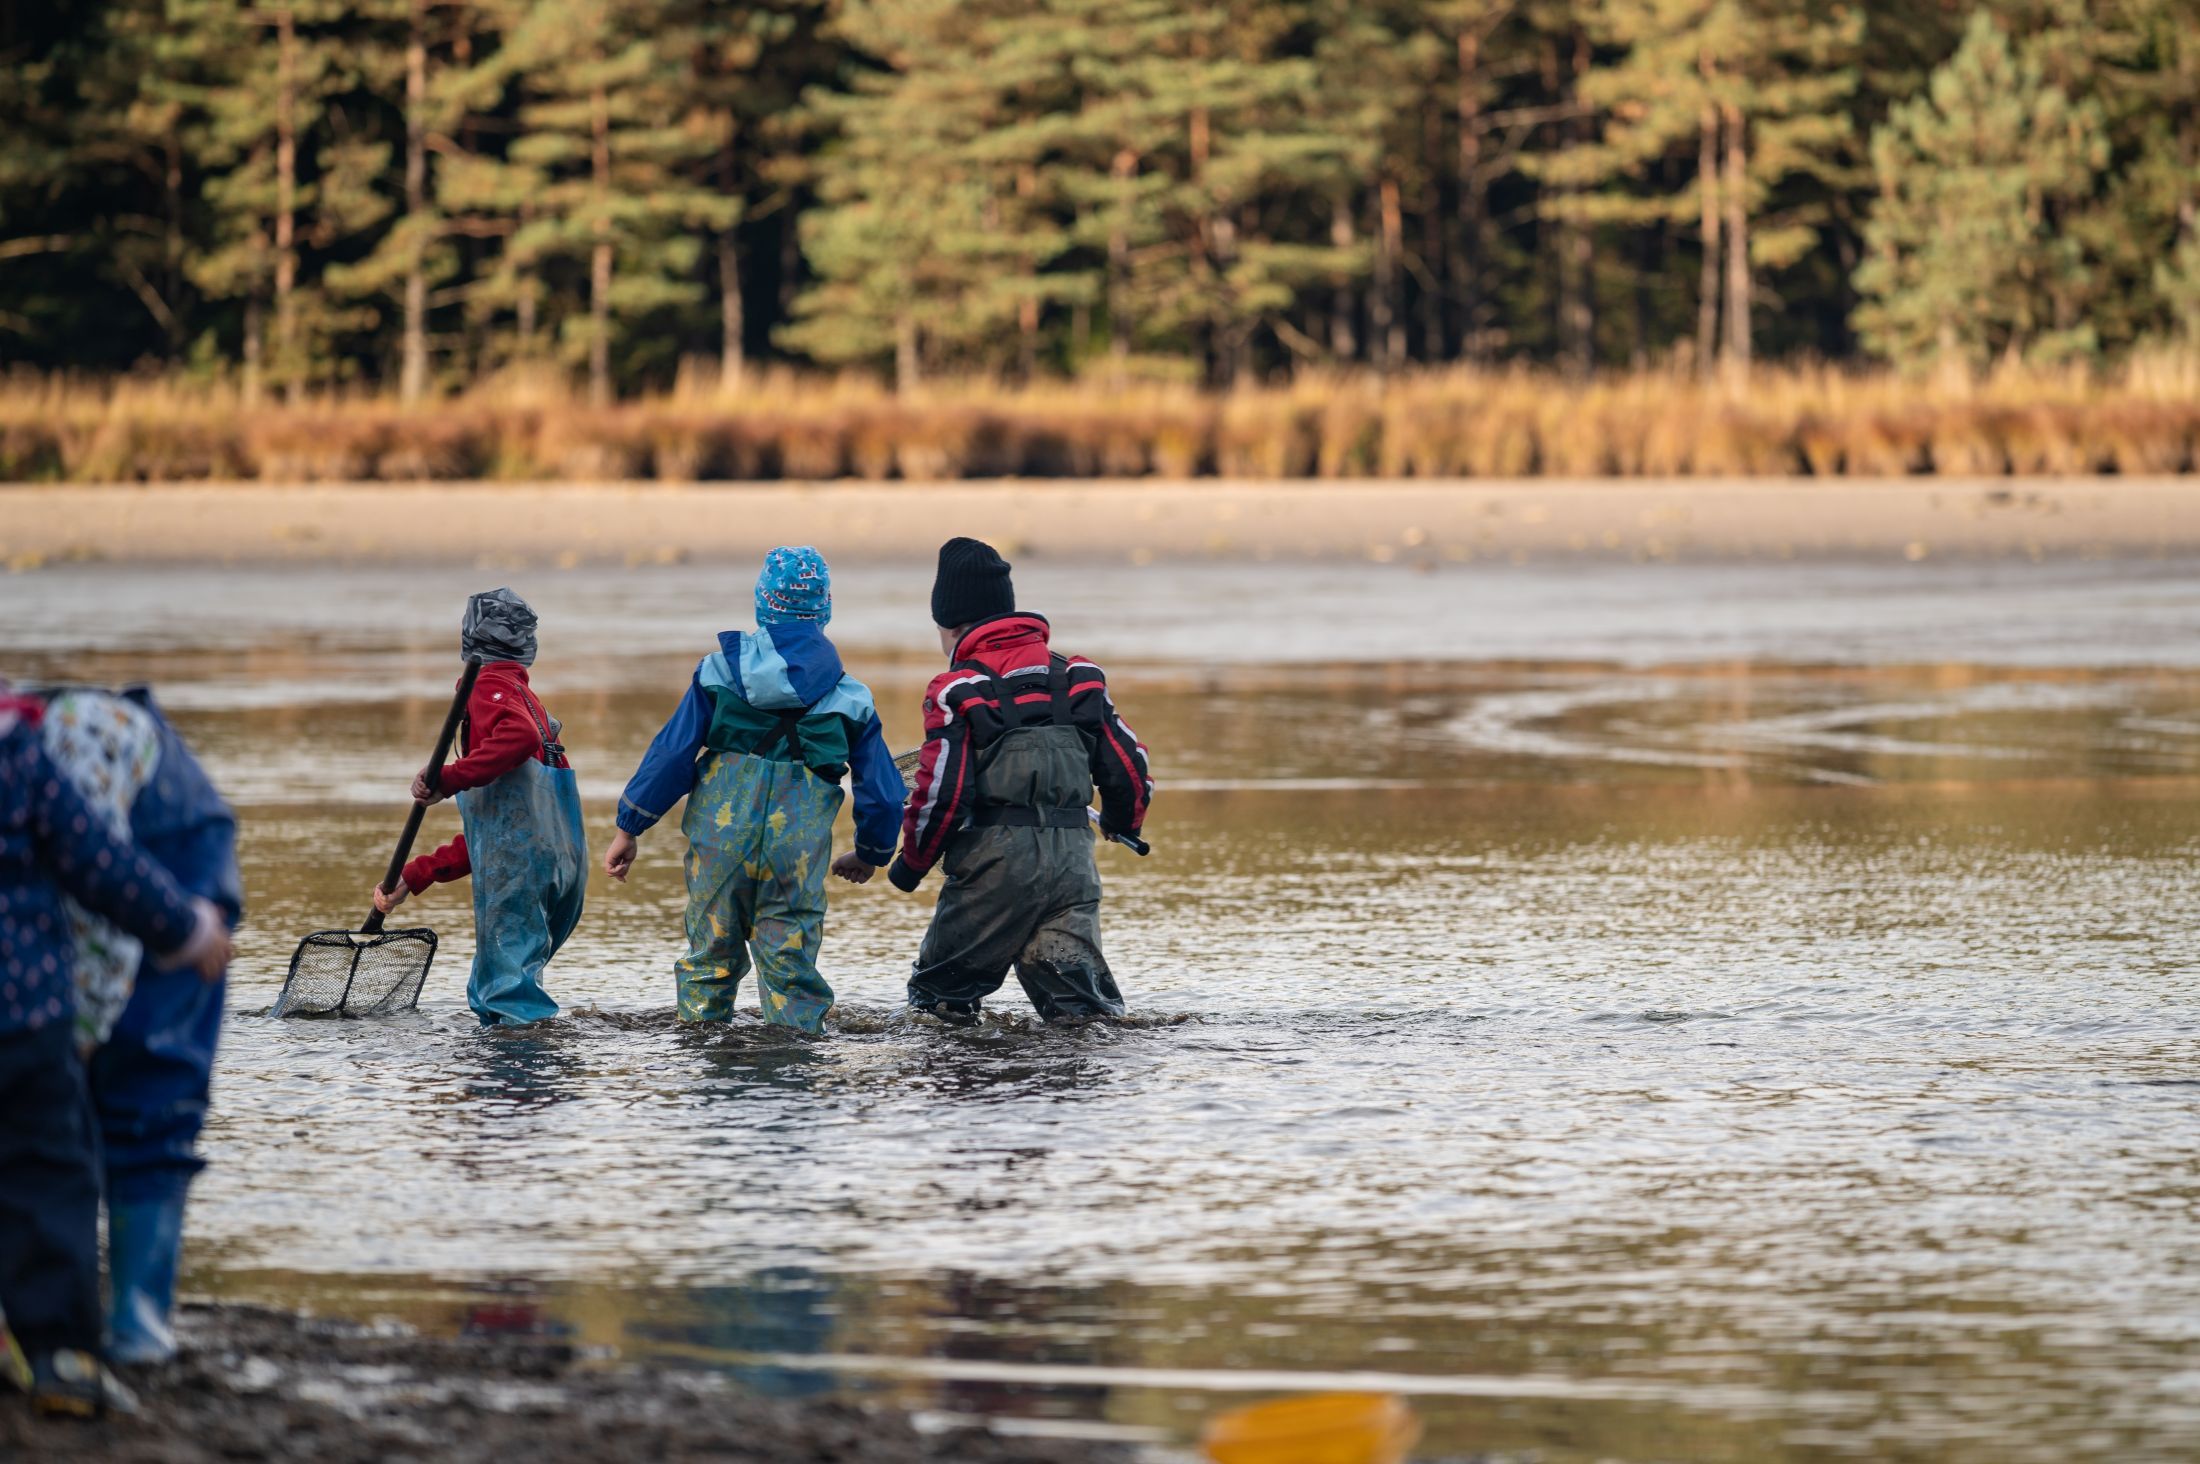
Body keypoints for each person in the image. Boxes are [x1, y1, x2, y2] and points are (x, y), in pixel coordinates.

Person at [0, 688, 230, 1417]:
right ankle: (62, 1342)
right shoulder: (19, 748)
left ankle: (137, 1325)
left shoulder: (57, 751)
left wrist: (81, 1039)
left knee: (148, 1087)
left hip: (171, 861)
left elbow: (98, 892)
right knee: (48, 1154)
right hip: (31, 989)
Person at [603, 547, 903, 1033]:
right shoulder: (852, 698)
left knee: (709, 959)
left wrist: (629, 827)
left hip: (719, 846)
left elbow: (671, 755)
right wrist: (870, 853)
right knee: (790, 968)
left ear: (763, 603)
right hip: (795, 854)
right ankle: (792, 1066)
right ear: (824, 608)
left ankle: (703, 1058)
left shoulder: (716, 673)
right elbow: (884, 795)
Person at [887, 537, 1152, 1026]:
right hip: (1073, 865)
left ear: (951, 624)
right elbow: (1130, 766)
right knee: (1081, 1014)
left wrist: (911, 865)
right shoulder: (1079, 676)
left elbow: (942, 793)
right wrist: (1119, 820)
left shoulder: (958, 689)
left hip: (994, 868)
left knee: (940, 1000)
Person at [371, 589, 585, 1027]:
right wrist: (416, 875)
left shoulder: (488, 686)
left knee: (507, 996)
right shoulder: (530, 700)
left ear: (469, 637)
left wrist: (447, 778)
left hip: (521, 872)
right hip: (563, 866)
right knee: (508, 982)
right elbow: (501, 835)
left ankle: (517, 1086)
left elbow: (517, 739)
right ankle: (521, 1066)